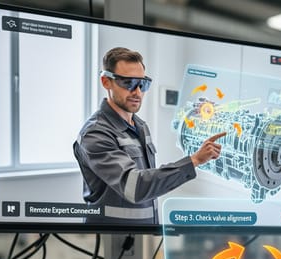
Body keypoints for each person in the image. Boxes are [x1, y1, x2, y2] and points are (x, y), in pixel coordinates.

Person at [73, 47, 225, 223]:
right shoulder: (95, 133)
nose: (137, 92)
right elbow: (136, 187)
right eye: (128, 83)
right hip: (110, 235)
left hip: (144, 231)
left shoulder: (140, 126)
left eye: (143, 84)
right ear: (106, 81)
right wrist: (194, 160)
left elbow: (150, 181)